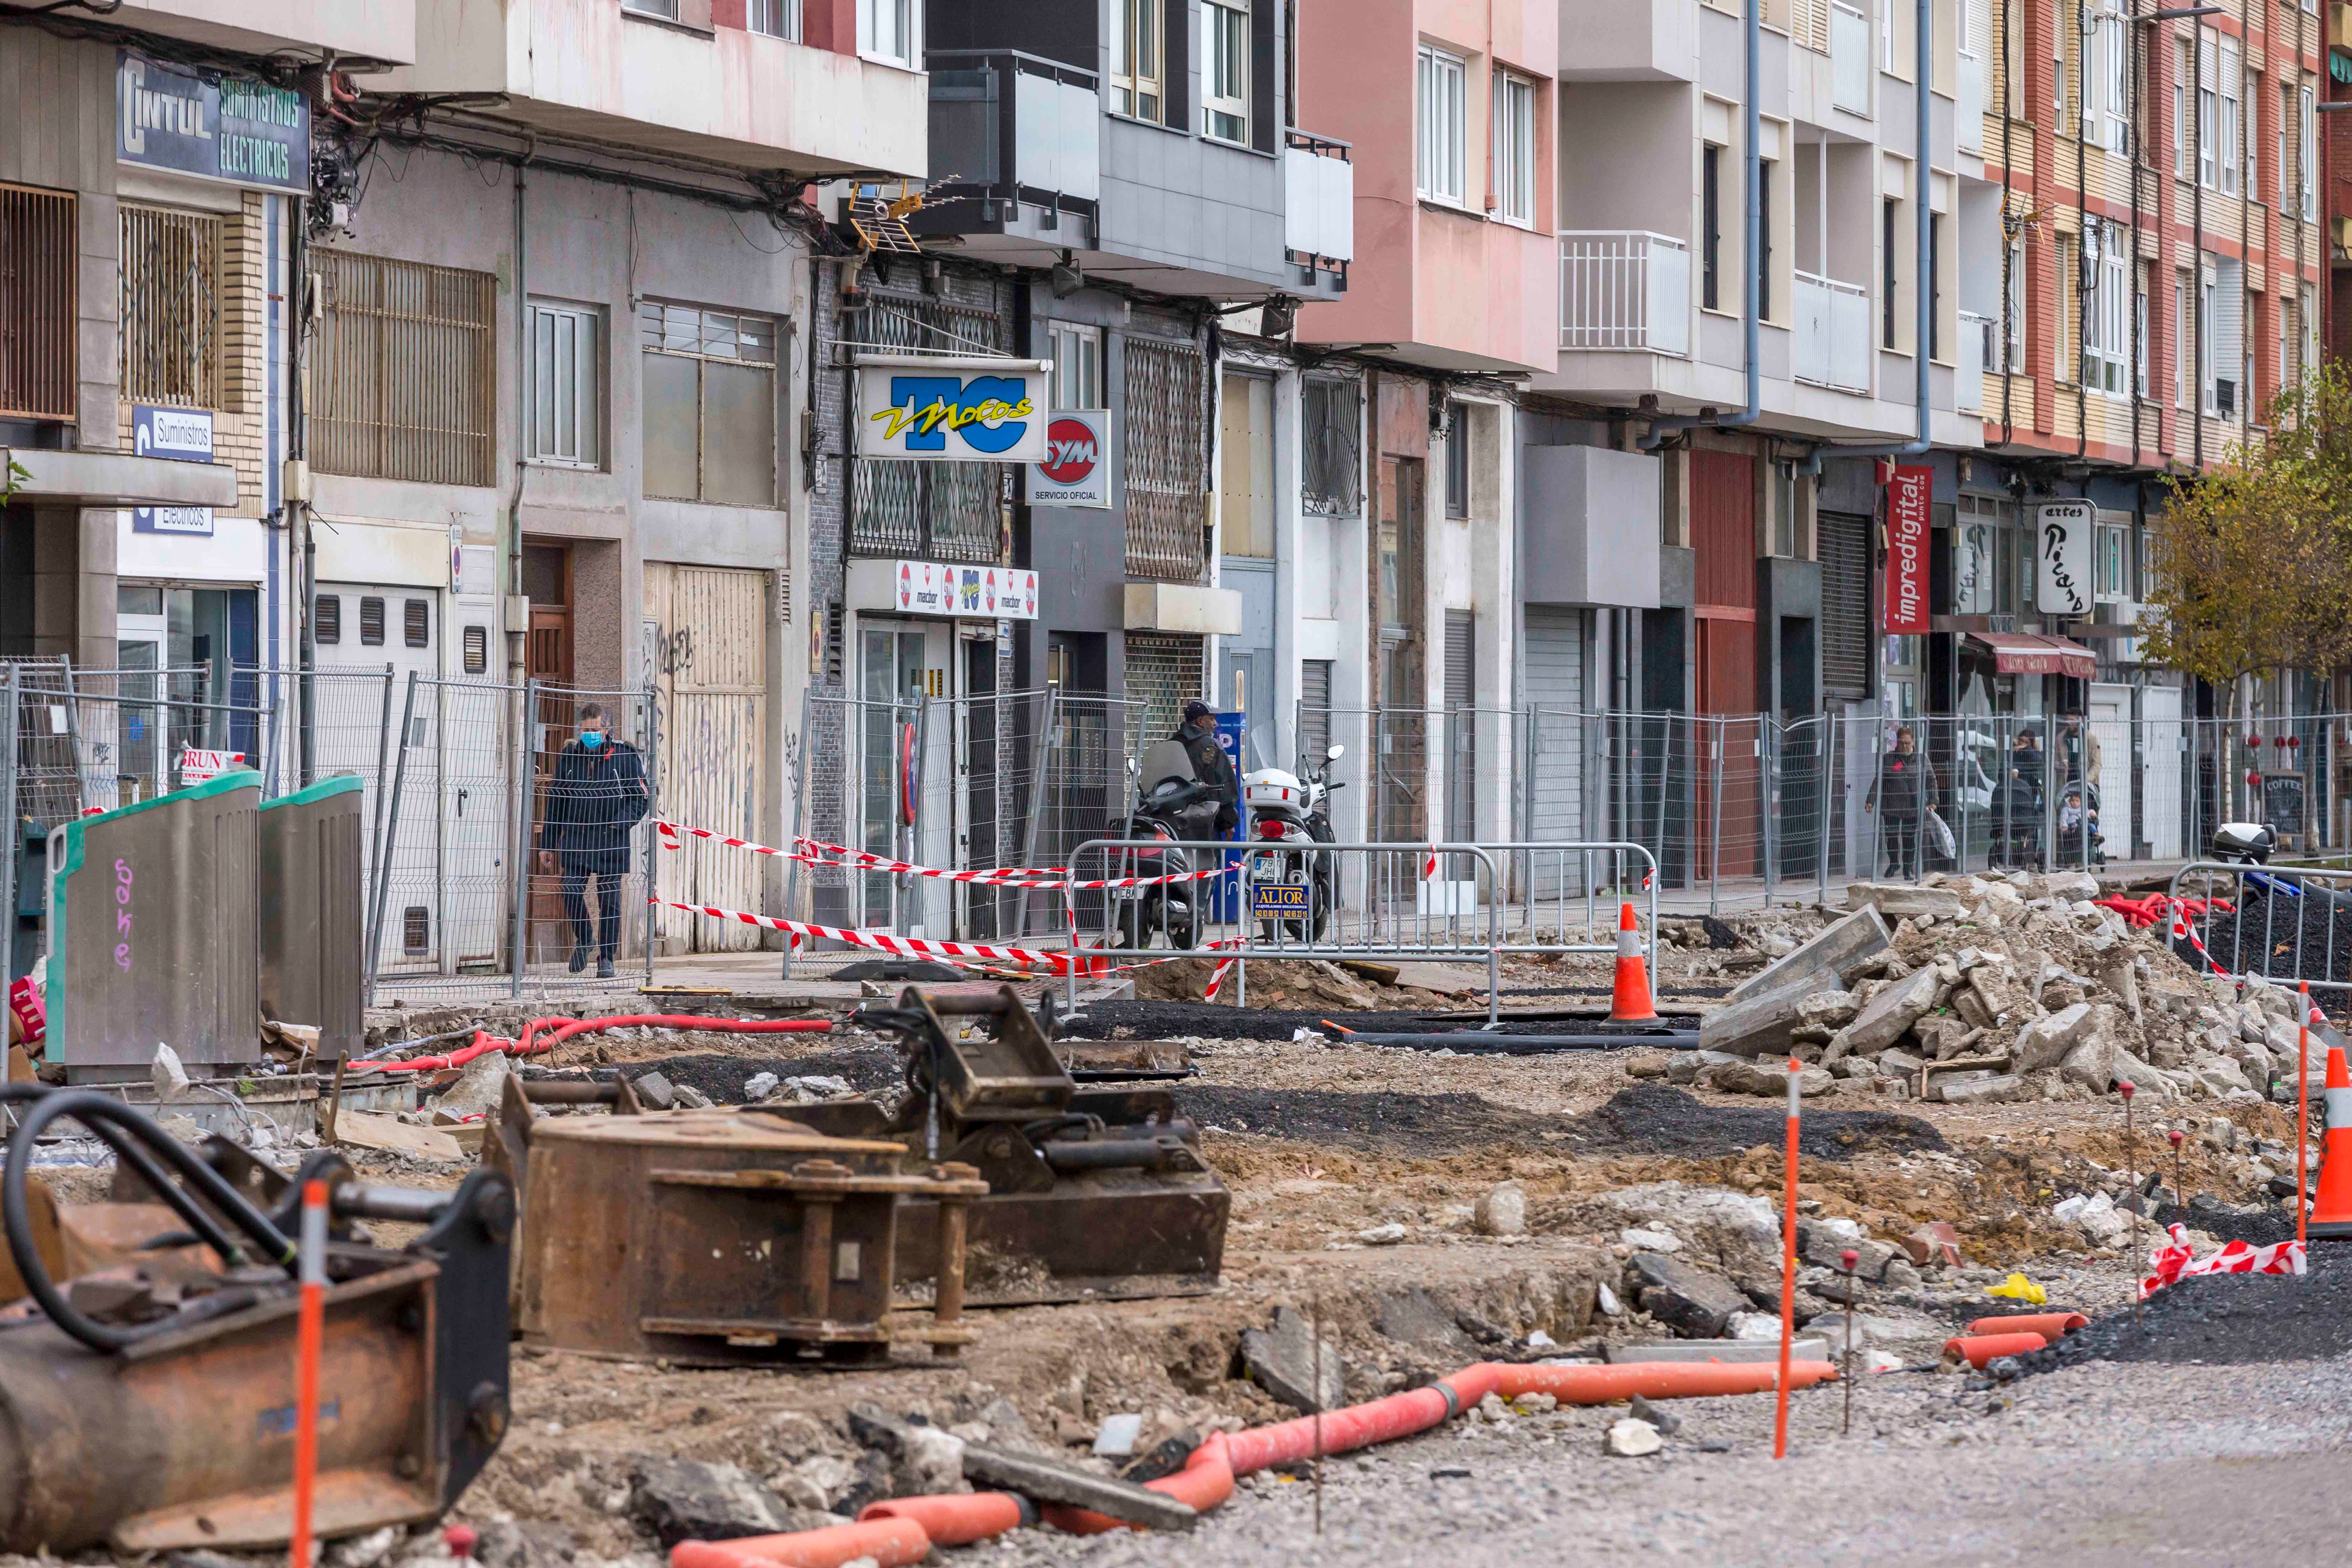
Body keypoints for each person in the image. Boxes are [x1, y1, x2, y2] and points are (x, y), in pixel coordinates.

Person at [537, 702, 649, 978]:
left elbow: (642, 797)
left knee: (609, 901)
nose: (590, 735)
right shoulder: (570, 756)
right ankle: (585, 939)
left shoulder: (624, 756)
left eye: (595, 730)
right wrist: (548, 844)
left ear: (606, 729)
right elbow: (556, 803)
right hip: (577, 840)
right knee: (571, 889)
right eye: (586, 730)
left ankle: (607, 958)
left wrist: (619, 823)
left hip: (611, 841)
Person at [1863, 724, 1939, 879]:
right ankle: (1894, 863)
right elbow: (1879, 780)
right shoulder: (1889, 758)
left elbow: (1932, 780)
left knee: (1909, 839)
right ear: (1897, 743)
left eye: (1907, 743)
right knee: (1891, 838)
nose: (1904, 746)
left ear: (1913, 743)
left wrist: (1933, 801)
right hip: (1891, 805)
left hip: (1912, 806)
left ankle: (1908, 869)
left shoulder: (1921, 759)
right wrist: (1871, 800)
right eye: (1901, 743)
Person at [1174, 699, 1241, 836]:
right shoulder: (1212, 744)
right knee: (1209, 856)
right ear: (1200, 721)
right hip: (1207, 818)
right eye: (1212, 719)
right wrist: (1229, 823)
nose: (1216, 724)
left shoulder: (1174, 743)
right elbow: (1225, 783)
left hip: (1175, 818)